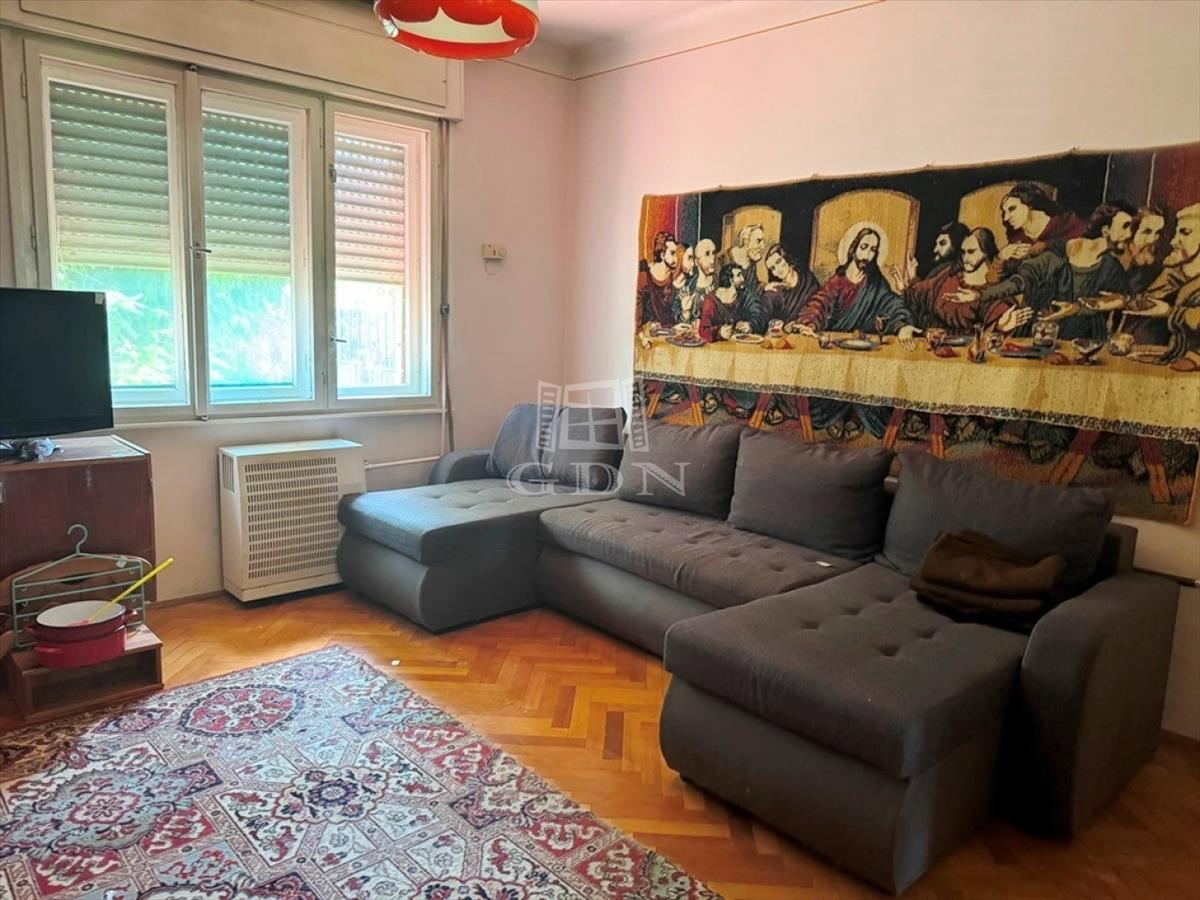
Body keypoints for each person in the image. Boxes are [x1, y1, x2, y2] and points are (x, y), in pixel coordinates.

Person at [965, 203, 1133, 341]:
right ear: (1105, 231)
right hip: (1044, 339)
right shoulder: (1056, 254)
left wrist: (1078, 308)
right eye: (1125, 227)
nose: (1130, 234)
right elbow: (1020, 282)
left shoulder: (1111, 267)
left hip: (1087, 345)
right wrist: (981, 295)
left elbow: (1123, 299)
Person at [791, 226, 917, 340]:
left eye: (873, 250)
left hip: (868, 344)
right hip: (837, 341)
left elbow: (893, 304)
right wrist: (810, 324)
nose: (867, 254)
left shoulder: (875, 282)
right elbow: (820, 303)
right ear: (854, 248)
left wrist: (903, 326)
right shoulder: (838, 280)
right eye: (864, 247)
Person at [912, 228, 1032, 334]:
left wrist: (1000, 327)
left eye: (971, 252)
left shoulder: (992, 291)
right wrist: (910, 283)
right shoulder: (950, 274)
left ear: (985, 252)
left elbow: (996, 322)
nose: (965, 258)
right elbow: (918, 293)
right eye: (963, 252)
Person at [1147, 203, 1200, 367]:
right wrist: (1126, 300)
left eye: (1185, 232)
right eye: (1176, 233)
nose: (1173, 241)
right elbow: (1147, 300)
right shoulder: (1172, 272)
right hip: (1167, 356)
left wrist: (1169, 312)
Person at [997, 182, 1086, 271]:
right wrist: (1001, 257)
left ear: (1029, 204)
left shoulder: (1066, 222)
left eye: (1012, 209)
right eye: (1004, 212)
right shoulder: (1017, 239)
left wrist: (1045, 246)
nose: (1006, 218)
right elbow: (1002, 275)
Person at [698, 264, 763, 342]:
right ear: (731, 280)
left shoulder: (746, 295)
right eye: (739, 275)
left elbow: (759, 315)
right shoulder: (711, 301)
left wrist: (751, 325)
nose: (743, 279)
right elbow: (703, 330)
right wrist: (719, 332)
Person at [761, 243, 820, 324]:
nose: (777, 269)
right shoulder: (774, 293)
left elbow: (818, 307)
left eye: (778, 261)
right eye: (772, 268)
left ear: (786, 257)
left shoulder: (807, 279)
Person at [637, 231, 678, 328]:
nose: (676, 258)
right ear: (662, 255)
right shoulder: (645, 276)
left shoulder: (675, 278)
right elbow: (637, 315)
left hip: (669, 330)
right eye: (672, 253)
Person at [670, 243, 699, 325]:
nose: (693, 264)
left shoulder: (693, 283)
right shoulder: (667, 283)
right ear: (680, 258)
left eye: (693, 258)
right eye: (689, 258)